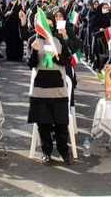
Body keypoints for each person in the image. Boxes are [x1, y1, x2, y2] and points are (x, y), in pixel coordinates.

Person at [27, 12, 72, 165]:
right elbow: (30, 64)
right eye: (44, 23)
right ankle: (46, 152)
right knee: (43, 124)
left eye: (50, 23)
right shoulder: (33, 39)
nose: (48, 26)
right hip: (40, 89)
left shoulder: (59, 39)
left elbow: (67, 60)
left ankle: (64, 152)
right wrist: (34, 51)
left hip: (58, 89)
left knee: (61, 124)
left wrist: (55, 57)